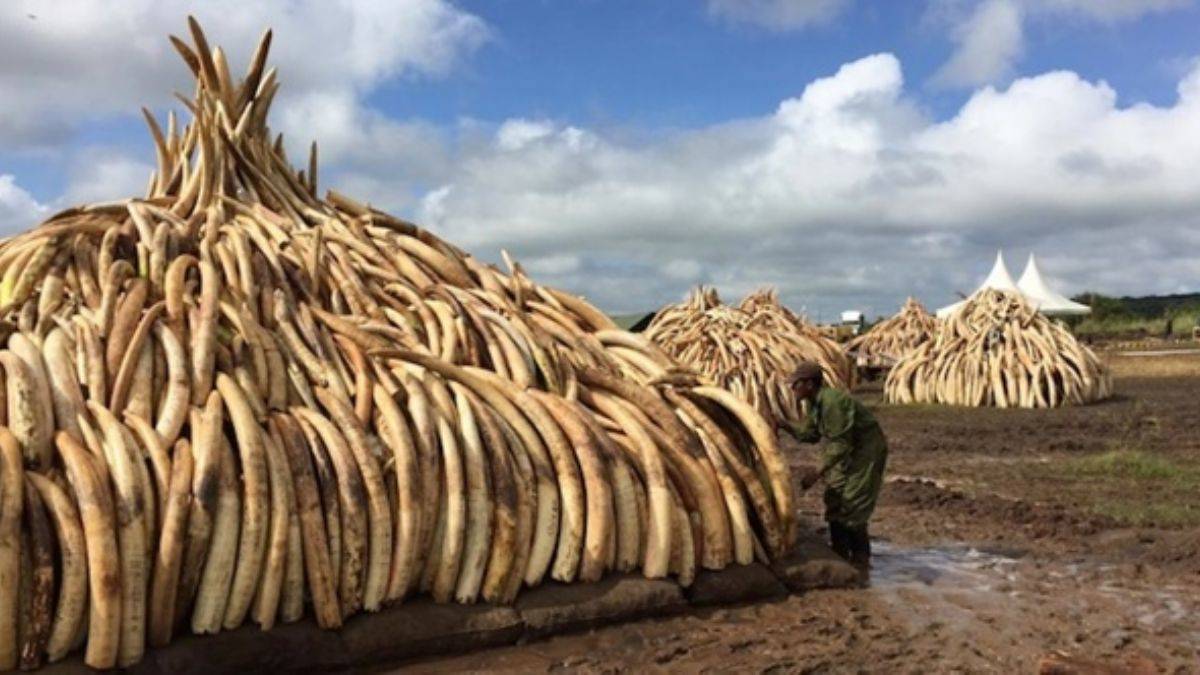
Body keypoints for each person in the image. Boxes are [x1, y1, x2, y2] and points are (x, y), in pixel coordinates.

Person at [785, 361, 888, 573]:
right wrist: (785, 425)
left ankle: (861, 559)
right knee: (834, 498)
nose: (793, 388)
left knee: (853, 502)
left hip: (864, 454)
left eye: (796, 384)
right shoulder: (814, 403)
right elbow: (811, 435)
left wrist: (817, 473)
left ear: (810, 384)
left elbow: (841, 443)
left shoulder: (833, 402)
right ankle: (840, 552)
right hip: (845, 453)